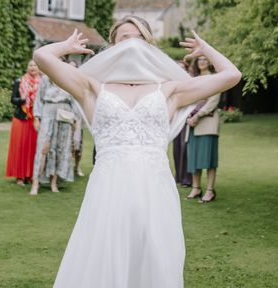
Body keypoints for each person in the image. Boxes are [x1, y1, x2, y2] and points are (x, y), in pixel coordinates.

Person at [33, 15, 241, 287]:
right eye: (124, 38)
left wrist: (207, 50)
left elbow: (232, 75)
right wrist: (67, 45)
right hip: (108, 190)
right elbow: (42, 56)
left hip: (154, 190)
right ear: (113, 45)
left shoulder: (170, 90)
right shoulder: (92, 87)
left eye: (139, 37)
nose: (132, 44)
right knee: (103, 262)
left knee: (153, 261)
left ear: (149, 44)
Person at [30, 71, 76, 195]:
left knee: (60, 149)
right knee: (43, 148)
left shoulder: (68, 80)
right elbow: (39, 100)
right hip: (48, 114)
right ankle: (35, 182)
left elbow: (74, 101)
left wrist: (74, 120)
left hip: (64, 116)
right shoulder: (46, 79)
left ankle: (53, 182)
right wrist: (36, 117)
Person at [185, 55, 221, 203]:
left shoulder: (215, 79)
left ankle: (210, 191)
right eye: (199, 60)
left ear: (209, 62)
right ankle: (196, 188)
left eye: (204, 59)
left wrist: (197, 116)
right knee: (194, 158)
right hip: (192, 124)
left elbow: (213, 102)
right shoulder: (194, 79)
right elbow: (188, 99)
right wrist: (187, 115)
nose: (201, 62)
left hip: (207, 123)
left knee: (209, 159)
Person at [5, 60, 41, 185]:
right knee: (20, 148)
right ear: (27, 68)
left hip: (35, 120)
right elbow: (13, 99)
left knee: (33, 148)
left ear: (39, 68)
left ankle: (30, 175)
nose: (33, 67)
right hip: (21, 118)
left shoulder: (42, 83)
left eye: (35, 65)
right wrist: (23, 99)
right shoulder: (19, 81)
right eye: (30, 65)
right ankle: (19, 176)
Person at [172, 60, 192, 187]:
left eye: (182, 68)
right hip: (175, 119)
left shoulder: (190, 83)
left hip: (188, 119)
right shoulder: (172, 84)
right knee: (176, 149)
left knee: (185, 149)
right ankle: (178, 176)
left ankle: (187, 178)